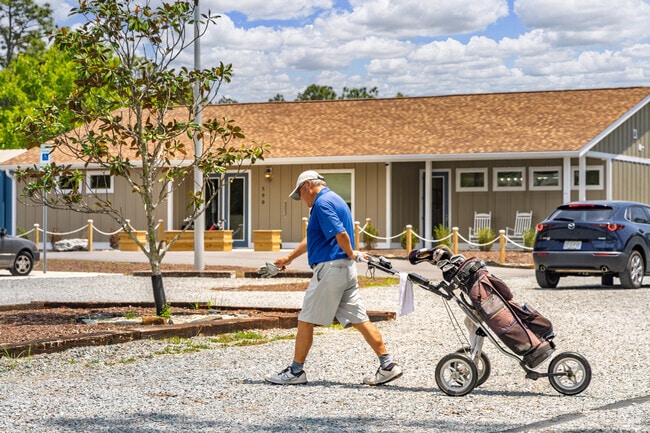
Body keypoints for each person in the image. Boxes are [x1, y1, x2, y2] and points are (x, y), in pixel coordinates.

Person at [264, 170, 403, 386]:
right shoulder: (336, 199)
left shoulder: (321, 203)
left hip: (330, 269)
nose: (301, 200)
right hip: (345, 270)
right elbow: (313, 237)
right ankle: (388, 365)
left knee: (306, 319)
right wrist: (288, 258)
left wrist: (351, 253)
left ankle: (295, 371)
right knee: (359, 319)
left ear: (308, 185)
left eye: (300, 194)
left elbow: (342, 235)